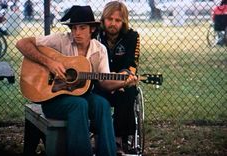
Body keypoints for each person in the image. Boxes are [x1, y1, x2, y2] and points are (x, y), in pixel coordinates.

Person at [16, 5, 137, 156]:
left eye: (82, 28)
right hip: (54, 98)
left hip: (81, 96)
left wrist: (124, 82)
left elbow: (104, 82)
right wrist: (50, 63)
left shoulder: (99, 50)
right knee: (79, 105)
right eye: (73, 28)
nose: (76, 33)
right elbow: (21, 43)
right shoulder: (60, 40)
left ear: (92, 29)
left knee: (102, 105)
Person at [95, 1, 140, 154]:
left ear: (124, 22)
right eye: (109, 19)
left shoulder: (132, 37)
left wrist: (118, 82)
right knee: (95, 96)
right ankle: (99, 137)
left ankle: (118, 140)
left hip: (122, 82)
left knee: (127, 93)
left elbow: (130, 65)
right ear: (103, 19)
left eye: (118, 20)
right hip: (98, 82)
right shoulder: (95, 35)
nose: (113, 23)